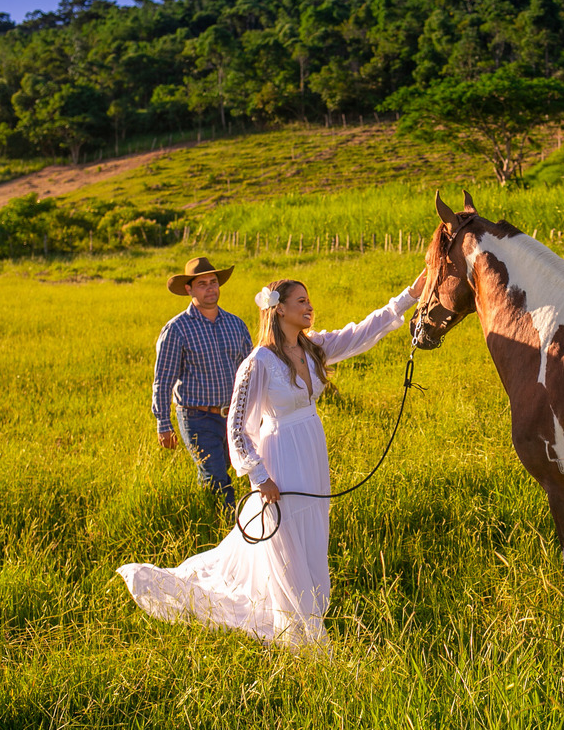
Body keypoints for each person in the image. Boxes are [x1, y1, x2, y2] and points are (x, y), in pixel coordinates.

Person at [118, 271, 425, 647]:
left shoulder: (312, 348)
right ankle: (297, 629)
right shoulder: (259, 362)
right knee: (285, 538)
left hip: (311, 450)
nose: (310, 306)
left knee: (311, 533)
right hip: (280, 456)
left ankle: (309, 609)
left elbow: (362, 331)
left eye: (309, 300)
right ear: (279, 310)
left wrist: (411, 294)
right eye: (301, 301)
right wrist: (260, 477)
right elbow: (236, 428)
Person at [152, 256, 252, 509]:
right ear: (189, 289)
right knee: (217, 478)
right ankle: (227, 532)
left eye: (213, 282)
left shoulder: (235, 324)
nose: (210, 288)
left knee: (235, 470)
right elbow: (163, 380)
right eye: (202, 284)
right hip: (197, 417)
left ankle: (208, 517)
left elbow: (250, 372)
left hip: (234, 416)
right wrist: (163, 424)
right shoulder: (177, 329)